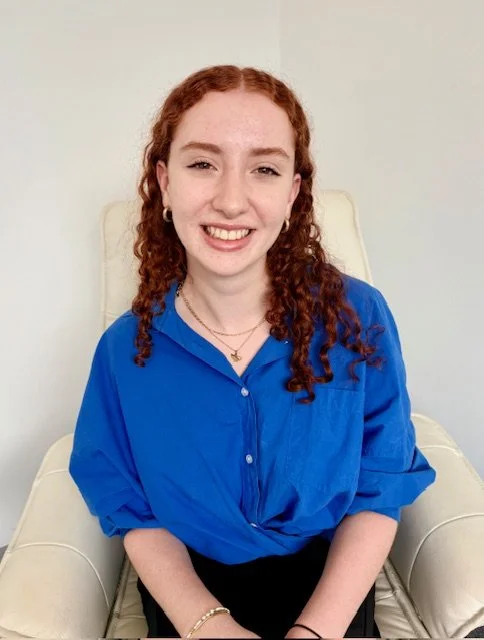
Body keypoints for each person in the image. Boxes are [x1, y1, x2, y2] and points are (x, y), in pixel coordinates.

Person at [69, 64, 436, 639]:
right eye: (202, 164)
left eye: (264, 168)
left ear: (292, 193)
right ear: (164, 183)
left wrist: (315, 631)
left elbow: (380, 482)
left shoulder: (356, 317)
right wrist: (208, 626)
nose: (231, 201)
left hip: (332, 581)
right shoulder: (124, 351)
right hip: (190, 591)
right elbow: (129, 505)